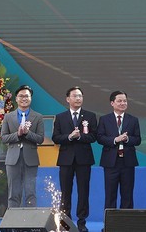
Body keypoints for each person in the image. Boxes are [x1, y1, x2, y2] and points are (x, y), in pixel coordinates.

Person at [52, 86, 98, 232]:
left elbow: (94, 137)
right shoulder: (60, 117)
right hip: (66, 160)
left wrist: (80, 136)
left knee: (83, 191)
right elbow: (55, 137)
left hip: (84, 160)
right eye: (75, 96)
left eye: (80, 96)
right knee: (65, 192)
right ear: (68, 99)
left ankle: (82, 222)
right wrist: (69, 137)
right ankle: (66, 222)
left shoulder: (90, 116)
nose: (78, 98)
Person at [0, 85, 44, 208]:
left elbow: (40, 139)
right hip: (12, 160)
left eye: (27, 96)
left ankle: (30, 223)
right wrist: (17, 134)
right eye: (21, 96)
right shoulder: (8, 117)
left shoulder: (38, 117)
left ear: (31, 98)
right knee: (13, 193)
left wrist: (27, 134)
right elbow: (3, 138)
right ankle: (13, 223)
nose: (24, 98)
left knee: (30, 193)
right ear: (16, 98)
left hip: (31, 159)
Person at [97, 91, 141, 211]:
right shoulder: (104, 119)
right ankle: (109, 225)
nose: (123, 103)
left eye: (125, 101)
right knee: (110, 195)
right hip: (110, 162)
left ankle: (125, 224)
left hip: (128, 162)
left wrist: (127, 139)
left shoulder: (133, 120)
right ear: (112, 103)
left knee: (127, 195)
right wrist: (115, 140)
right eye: (120, 101)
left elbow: (137, 140)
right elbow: (99, 137)